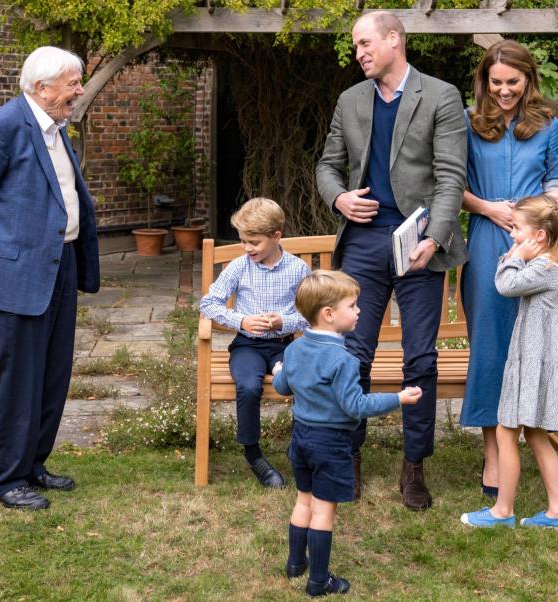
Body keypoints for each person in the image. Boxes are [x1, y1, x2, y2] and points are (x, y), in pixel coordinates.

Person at [315, 10, 467, 510]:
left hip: (419, 245)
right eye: (356, 46)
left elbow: (450, 178)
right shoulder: (349, 100)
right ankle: (349, 456)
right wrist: (339, 199)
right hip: (362, 244)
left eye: (364, 43)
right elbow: (326, 165)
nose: (358, 53)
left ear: (394, 40)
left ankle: (414, 465)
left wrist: (437, 237)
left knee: (420, 358)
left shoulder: (441, 96)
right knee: (352, 355)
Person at [459, 39, 558, 511]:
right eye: (496, 82)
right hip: (488, 240)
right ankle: (492, 453)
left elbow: (553, 176)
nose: (504, 91)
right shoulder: (468, 123)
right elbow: (453, 185)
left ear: (528, 80)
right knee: (492, 343)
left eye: (513, 82)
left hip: (538, 243)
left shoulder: (546, 124)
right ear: (485, 80)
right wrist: (489, 208)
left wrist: (552, 201)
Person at [0, 46, 100, 510]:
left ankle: (33, 465)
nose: (78, 90)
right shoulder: (4, 126)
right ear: (41, 87)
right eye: (72, 83)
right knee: (19, 379)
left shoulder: (55, 128)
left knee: (53, 374)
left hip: (60, 264)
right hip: (18, 273)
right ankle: (4, 480)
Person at [272, 270, 422, 596]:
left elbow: (283, 386)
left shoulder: (295, 349)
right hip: (330, 444)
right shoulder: (344, 360)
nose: (358, 312)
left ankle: (295, 564)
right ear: (329, 315)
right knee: (323, 511)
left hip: (301, 439)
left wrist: (278, 370)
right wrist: (398, 398)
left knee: (303, 501)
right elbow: (355, 406)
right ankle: (319, 581)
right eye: (353, 306)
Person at [461, 195, 558, 529]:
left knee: (506, 432)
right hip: (534, 361)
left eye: (518, 229)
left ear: (540, 237)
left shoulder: (544, 268)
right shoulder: (548, 265)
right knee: (534, 434)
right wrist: (518, 252)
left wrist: (515, 254)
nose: (513, 235)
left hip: (535, 365)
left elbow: (504, 285)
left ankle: (502, 511)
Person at [198, 197, 311, 488]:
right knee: (248, 386)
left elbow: (311, 313)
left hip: (285, 345)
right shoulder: (239, 267)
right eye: (243, 241)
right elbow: (208, 303)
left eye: (254, 242)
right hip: (247, 346)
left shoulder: (297, 270)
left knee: (303, 382)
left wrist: (283, 322)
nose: (247, 248)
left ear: (276, 236)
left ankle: (298, 449)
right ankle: (253, 454)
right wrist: (241, 321)